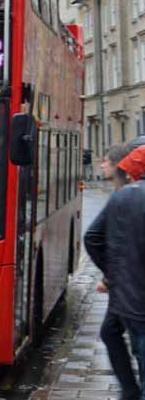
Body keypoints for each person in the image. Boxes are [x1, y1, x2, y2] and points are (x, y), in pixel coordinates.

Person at [85, 144, 145, 400]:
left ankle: (130, 392)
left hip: (131, 299)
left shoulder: (123, 197)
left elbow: (93, 237)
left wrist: (113, 276)